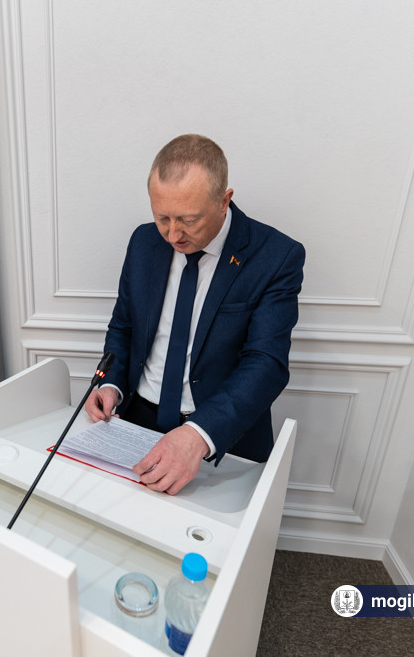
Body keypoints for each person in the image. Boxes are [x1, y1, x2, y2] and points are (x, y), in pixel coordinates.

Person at [85, 134, 304, 495]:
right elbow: (124, 326)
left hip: (220, 439)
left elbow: (267, 363)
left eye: (188, 219)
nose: (173, 234)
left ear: (224, 201)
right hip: (135, 423)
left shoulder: (276, 256)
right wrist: (110, 383)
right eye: (162, 217)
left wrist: (198, 435)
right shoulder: (143, 242)